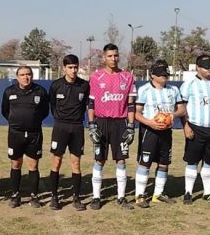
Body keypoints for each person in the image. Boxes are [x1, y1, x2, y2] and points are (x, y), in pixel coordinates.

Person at [88, 43, 137, 210]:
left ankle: (121, 198)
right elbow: (91, 103)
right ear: (104, 57)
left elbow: (131, 104)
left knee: (121, 160)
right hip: (101, 122)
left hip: (120, 123)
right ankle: (96, 197)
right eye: (109, 56)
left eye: (115, 55)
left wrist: (131, 126)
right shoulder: (96, 77)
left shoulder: (127, 77)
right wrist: (92, 125)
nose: (113, 58)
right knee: (99, 159)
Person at [134, 59, 185, 208]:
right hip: (149, 131)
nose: (165, 76)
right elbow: (136, 113)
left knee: (164, 163)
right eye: (161, 74)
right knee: (145, 162)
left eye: (166, 74)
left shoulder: (173, 90)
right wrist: (151, 123)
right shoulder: (144, 90)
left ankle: (158, 194)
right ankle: (140, 195)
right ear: (152, 76)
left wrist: (172, 116)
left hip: (166, 132)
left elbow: (182, 109)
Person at [179, 54, 210, 204]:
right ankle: (188, 192)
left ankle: (208, 193)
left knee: (209, 161)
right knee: (192, 161)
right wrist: (185, 126)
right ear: (198, 68)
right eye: (207, 68)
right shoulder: (189, 84)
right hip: (195, 127)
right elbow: (181, 108)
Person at [2, 66, 49, 208]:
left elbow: (45, 112)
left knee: (33, 165)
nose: (25, 77)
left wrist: (32, 121)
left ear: (32, 76)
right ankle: (15, 195)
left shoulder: (40, 91)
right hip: (15, 134)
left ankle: (34, 197)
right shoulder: (9, 91)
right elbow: (5, 111)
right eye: (22, 74)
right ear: (17, 77)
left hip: (34, 134)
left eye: (28, 74)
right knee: (16, 164)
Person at [48, 54, 89, 211]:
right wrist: (60, 119)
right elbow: (52, 105)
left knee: (76, 163)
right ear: (64, 68)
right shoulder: (56, 85)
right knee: (56, 161)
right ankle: (54, 197)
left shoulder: (84, 85)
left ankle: (76, 198)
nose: (73, 70)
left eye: (75, 67)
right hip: (60, 127)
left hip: (77, 127)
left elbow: (86, 105)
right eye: (70, 67)